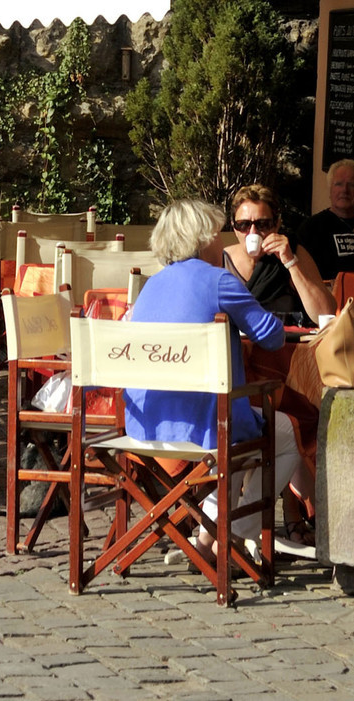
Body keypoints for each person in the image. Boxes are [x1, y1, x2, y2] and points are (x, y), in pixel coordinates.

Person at [126, 195, 312, 556]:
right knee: (284, 430)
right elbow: (273, 338)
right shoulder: (218, 281)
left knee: (243, 427)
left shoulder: (151, 286)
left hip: (146, 424)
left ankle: (207, 540)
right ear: (200, 240)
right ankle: (228, 532)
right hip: (208, 424)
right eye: (215, 233)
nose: (221, 240)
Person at [221, 183, 334, 326]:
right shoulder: (221, 260)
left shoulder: (293, 252)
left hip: (284, 344)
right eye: (244, 224)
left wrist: (291, 263)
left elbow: (326, 313)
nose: (253, 232)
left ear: (277, 224)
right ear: (234, 227)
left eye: (263, 224)